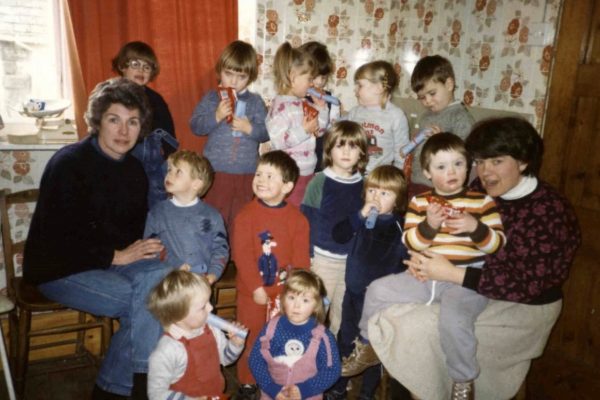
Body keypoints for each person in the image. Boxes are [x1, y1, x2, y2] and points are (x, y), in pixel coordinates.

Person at [365, 117, 581, 400]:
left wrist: (450, 274)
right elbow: (447, 239)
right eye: (479, 161)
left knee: (417, 327)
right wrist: (425, 261)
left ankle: (457, 386)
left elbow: (527, 284)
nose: (485, 171)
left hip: (522, 307)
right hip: (468, 284)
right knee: (396, 307)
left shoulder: (549, 211)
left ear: (524, 161)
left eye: (496, 161)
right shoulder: (480, 188)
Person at [22, 78, 173, 399]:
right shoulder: (69, 164)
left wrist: (152, 250)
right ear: (97, 122)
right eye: (114, 119)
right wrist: (116, 257)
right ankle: (127, 390)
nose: (124, 131)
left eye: (133, 122)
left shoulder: (134, 170)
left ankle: (128, 387)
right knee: (147, 304)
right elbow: (55, 242)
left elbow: (131, 235)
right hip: (60, 269)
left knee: (162, 281)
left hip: (107, 262)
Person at [341, 133, 506, 398]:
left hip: (463, 281)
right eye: (441, 167)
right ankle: (366, 345)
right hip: (424, 276)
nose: (451, 172)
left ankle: (462, 380)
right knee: (377, 290)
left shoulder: (483, 203)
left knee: (453, 320)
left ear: (469, 166)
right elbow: (411, 241)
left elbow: (496, 244)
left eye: (458, 164)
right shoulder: (420, 203)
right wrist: (429, 225)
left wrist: (475, 228)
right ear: (427, 172)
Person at [232, 150, 311, 398]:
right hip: (252, 292)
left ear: (287, 186)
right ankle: (247, 380)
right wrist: (256, 288)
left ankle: (276, 378)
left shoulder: (298, 220)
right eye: (259, 174)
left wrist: (294, 294)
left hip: (284, 295)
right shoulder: (246, 215)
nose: (261, 180)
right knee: (252, 335)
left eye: (270, 176)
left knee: (278, 338)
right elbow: (242, 257)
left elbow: (301, 262)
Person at [327, 165, 409, 400]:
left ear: (398, 199)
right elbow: (339, 235)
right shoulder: (360, 217)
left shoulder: (400, 226)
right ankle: (339, 386)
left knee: (373, 348)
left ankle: (366, 393)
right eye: (372, 190)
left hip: (379, 302)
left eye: (385, 193)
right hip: (353, 295)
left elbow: (406, 261)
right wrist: (359, 216)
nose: (376, 197)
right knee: (345, 339)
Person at [189, 40, 269, 229]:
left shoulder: (256, 102)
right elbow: (195, 126)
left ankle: (236, 257)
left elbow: (266, 133)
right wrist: (215, 116)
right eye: (228, 74)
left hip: (247, 173)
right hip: (215, 172)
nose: (233, 81)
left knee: (241, 220)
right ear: (220, 71)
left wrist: (250, 129)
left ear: (250, 76)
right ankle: (215, 257)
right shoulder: (212, 97)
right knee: (213, 219)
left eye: (240, 76)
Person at [300, 120, 368, 336]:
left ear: (362, 153)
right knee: (317, 312)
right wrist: (308, 256)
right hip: (323, 260)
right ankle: (309, 357)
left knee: (343, 313)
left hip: (351, 262)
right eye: (340, 145)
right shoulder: (319, 181)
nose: (347, 151)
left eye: (353, 146)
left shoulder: (365, 184)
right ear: (329, 149)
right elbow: (306, 219)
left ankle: (335, 359)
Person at [147, 270, 245, 399]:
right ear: (179, 316)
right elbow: (156, 394)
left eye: (209, 302)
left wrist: (235, 345)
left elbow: (225, 360)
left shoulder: (212, 330)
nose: (211, 308)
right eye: (203, 307)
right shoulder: (167, 350)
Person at [249, 269, 341, 399]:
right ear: (283, 299)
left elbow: (331, 370)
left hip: (308, 395)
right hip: (273, 395)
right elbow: (256, 359)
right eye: (291, 298)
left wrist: (304, 390)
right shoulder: (270, 329)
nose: (296, 306)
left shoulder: (322, 336)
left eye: (305, 300)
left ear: (316, 305)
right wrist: (271, 388)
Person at [143, 150, 229, 284]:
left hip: (201, 282)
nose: (169, 175)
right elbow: (151, 248)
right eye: (169, 169)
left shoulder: (212, 216)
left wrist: (213, 275)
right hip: (167, 282)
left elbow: (220, 249)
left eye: (178, 172)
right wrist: (176, 265)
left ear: (196, 184)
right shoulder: (157, 213)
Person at [112, 41, 178, 209]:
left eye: (146, 67)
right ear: (122, 66)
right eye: (135, 64)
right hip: (122, 161)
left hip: (153, 166)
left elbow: (168, 132)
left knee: (156, 206)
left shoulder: (156, 99)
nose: (141, 70)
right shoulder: (111, 95)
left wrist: (171, 158)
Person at [266, 42, 329, 206]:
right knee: (289, 214)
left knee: (304, 215)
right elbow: (279, 141)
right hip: (288, 175)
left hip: (308, 172)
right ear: (292, 77)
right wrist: (304, 130)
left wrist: (321, 108)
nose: (312, 84)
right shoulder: (280, 107)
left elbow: (319, 130)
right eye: (309, 78)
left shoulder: (303, 104)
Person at [407, 55, 475, 198]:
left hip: (442, 188)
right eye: (422, 97)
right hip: (416, 181)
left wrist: (441, 140)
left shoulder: (460, 117)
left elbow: (465, 156)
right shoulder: (426, 116)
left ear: (449, 85)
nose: (428, 101)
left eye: (432, 93)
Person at [346, 60, 409, 175]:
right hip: (352, 174)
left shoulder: (396, 115)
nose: (355, 90)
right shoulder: (354, 112)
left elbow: (401, 151)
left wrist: (398, 176)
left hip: (380, 178)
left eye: (359, 85)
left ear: (378, 88)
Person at [299, 41, 341, 172]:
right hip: (297, 158)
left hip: (320, 159)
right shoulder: (294, 98)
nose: (319, 83)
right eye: (313, 77)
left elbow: (333, 130)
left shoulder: (331, 100)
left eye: (323, 78)